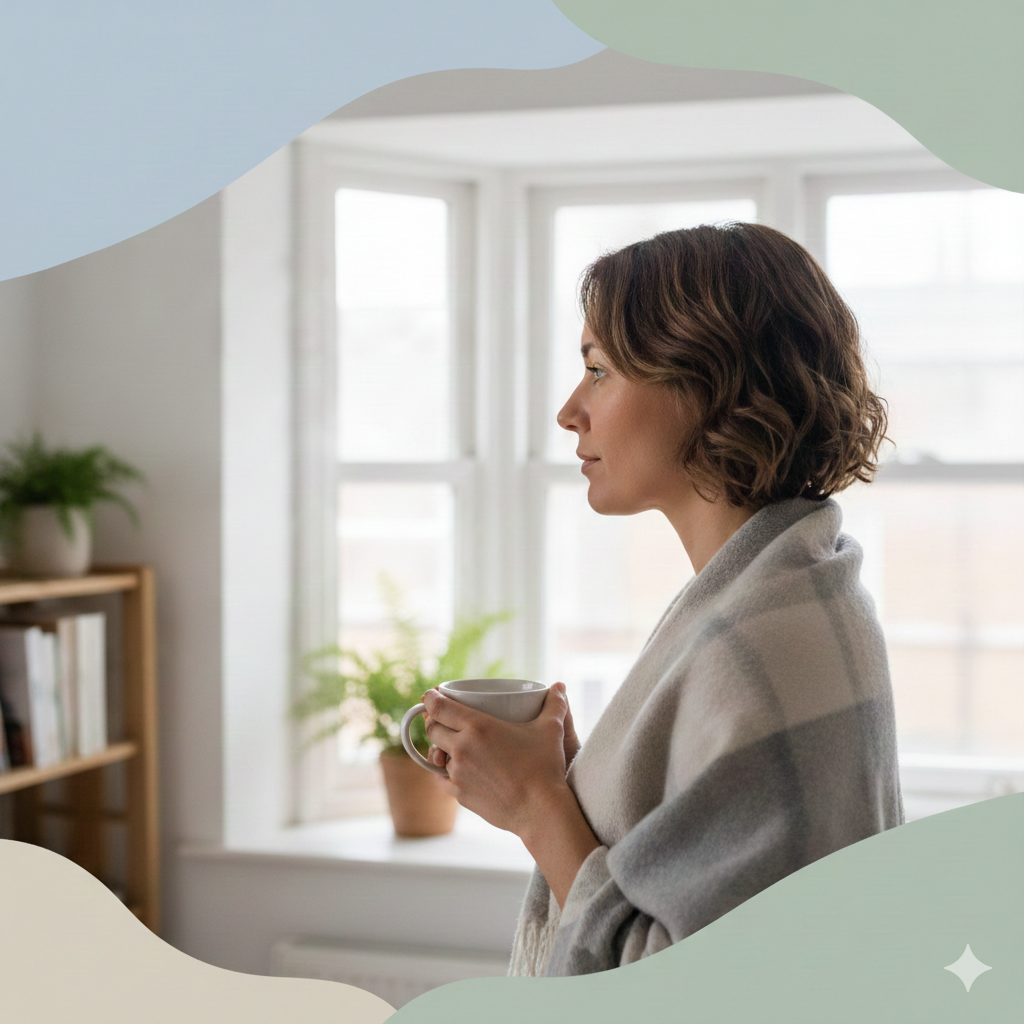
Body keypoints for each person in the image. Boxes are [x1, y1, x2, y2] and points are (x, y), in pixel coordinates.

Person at [420, 221, 904, 977]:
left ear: (706, 385)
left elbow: (692, 984)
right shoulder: (786, 590)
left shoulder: (764, 642)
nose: (569, 410)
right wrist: (577, 777)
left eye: (599, 370)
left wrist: (535, 806)